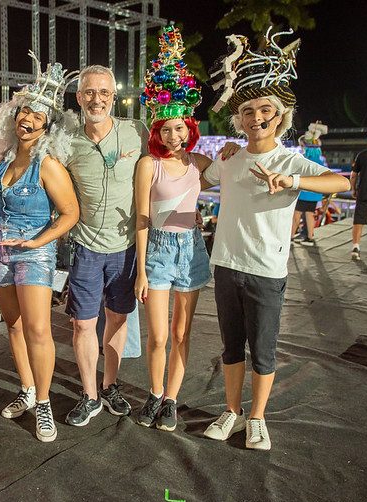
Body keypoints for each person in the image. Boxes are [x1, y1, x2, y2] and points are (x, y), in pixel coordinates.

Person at [202, 28, 350, 450]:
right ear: (239, 119)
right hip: (227, 264)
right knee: (231, 347)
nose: (254, 118)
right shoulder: (230, 157)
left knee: (263, 351)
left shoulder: (288, 158)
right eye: (247, 111)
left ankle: (258, 417)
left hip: (267, 269)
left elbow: (339, 182)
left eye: (263, 109)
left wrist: (292, 179)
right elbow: (198, 170)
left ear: (279, 115)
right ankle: (231, 411)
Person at [133, 26, 238, 431]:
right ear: (156, 130)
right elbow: (143, 217)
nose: (173, 135)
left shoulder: (198, 163)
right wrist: (141, 269)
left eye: (180, 128)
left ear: (189, 129)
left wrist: (229, 151)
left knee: (181, 333)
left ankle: (172, 399)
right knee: (158, 336)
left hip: (191, 250)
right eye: (165, 128)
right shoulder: (149, 164)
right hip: (157, 250)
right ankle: (154, 394)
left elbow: (227, 175)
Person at [0, 52, 80, 442]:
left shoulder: (49, 165)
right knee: (14, 325)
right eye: (25, 112)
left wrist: (37, 241)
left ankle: (43, 403)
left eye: (38, 117)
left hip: (34, 253)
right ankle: (26, 390)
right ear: (15, 113)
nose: (27, 120)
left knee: (39, 330)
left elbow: (70, 213)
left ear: (48, 126)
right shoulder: (3, 160)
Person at [62, 63, 147, 426]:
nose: (97, 99)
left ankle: (110, 385)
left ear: (115, 97)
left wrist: (217, 160)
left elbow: (174, 153)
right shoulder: (66, 143)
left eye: (104, 92)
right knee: (82, 325)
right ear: (80, 98)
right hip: (85, 247)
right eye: (90, 93)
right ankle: (90, 394)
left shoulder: (136, 132)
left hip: (126, 248)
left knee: (117, 318)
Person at [292, 122, 329, 244]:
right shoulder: (320, 160)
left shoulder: (303, 159)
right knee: (309, 214)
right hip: (314, 192)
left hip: (303, 191)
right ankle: (310, 237)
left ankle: (290, 236)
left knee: (296, 214)